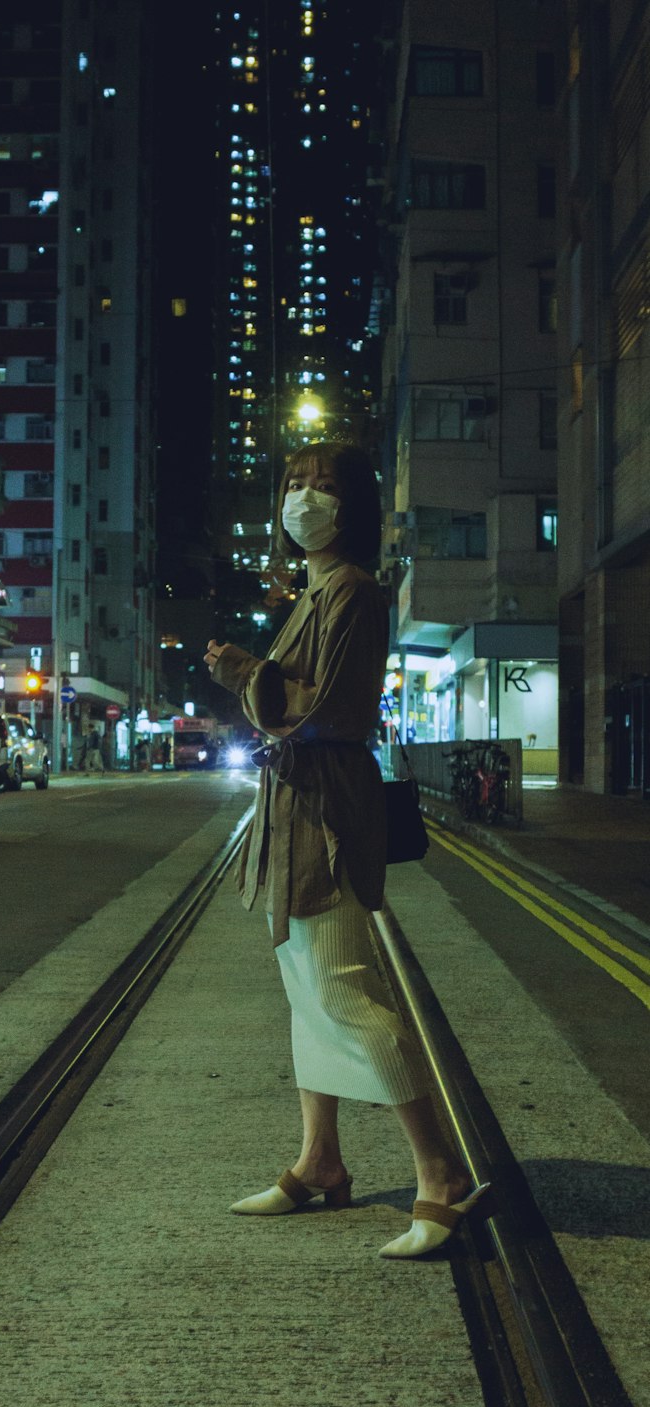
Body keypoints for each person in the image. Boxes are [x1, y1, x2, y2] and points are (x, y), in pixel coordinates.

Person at [204, 440, 490, 1259]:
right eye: (294, 485)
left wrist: (244, 673)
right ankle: (320, 1160)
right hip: (297, 806)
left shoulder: (354, 591)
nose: (306, 500)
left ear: (352, 505)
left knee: (344, 993)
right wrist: (251, 673)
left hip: (325, 810)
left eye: (324, 487)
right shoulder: (316, 589)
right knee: (306, 994)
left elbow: (331, 710)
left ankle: (441, 1175)